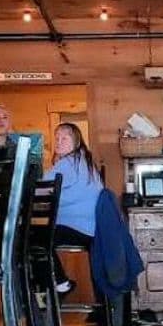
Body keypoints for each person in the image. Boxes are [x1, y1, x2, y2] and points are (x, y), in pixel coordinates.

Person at [45, 122, 103, 295]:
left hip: (77, 228)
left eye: (65, 137)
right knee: (39, 239)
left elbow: (40, 188)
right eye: (56, 138)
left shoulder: (68, 163)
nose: (59, 142)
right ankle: (57, 286)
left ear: (77, 141)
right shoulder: (86, 160)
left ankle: (60, 285)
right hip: (92, 229)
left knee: (33, 241)